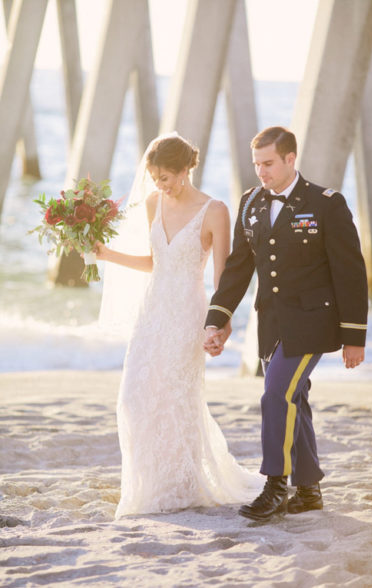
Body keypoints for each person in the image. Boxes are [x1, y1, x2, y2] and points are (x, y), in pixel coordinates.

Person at [203, 126, 368, 523]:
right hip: (271, 322)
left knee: (277, 394)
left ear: (290, 159)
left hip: (314, 321)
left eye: (269, 163)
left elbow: (350, 272)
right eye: (256, 164)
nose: (261, 171)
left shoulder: (327, 203)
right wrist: (217, 320)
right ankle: (309, 490)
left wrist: (354, 337)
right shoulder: (250, 203)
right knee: (295, 398)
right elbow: (238, 269)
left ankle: (276, 485)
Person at [95, 133, 263, 518]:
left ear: (185, 169)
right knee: (136, 395)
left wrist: (222, 323)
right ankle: (150, 482)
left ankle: (182, 484)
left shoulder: (215, 210)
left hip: (188, 313)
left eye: (166, 177)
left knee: (175, 396)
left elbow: (224, 276)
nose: (159, 185)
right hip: (152, 311)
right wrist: (108, 255)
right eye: (155, 178)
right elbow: (157, 261)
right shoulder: (154, 203)